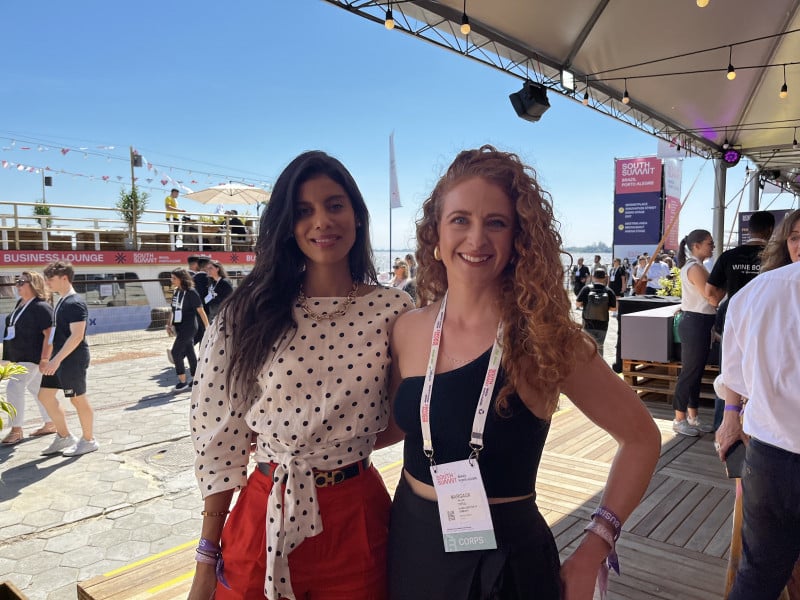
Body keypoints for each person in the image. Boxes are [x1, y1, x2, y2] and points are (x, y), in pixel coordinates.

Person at [386, 146, 660, 600]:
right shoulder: (409, 329)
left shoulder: (546, 339)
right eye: (460, 220)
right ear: (435, 233)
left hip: (505, 567)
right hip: (410, 547)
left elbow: (642, 438)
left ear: (519, 239)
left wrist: (595, 545)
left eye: (495, 222)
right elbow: (399, 427)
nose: (476, 239)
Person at [187, 150, 411, 600]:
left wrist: (337, 445)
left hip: (357, 517)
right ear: (286, 226)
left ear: (357, 215)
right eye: (303, 211)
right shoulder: (246, 313)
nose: (321, 222)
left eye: (334, 205)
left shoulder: (394, 310)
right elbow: (222, 445)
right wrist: (206, 559)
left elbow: (404, 415)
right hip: (264, 507)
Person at [715, 240, 800, 599]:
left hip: (769, 456)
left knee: (758, 576)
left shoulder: (758, 290)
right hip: (769, 450)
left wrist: (733, 412)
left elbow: (733, 373)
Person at [705, 210, 775, 429]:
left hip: (732, 323)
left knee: (729, 372)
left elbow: (710, 292)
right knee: (763, 373)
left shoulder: (729, 256)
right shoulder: (777, 257)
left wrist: (728, 299)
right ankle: (758, 427)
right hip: (766, 324)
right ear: (771, 231)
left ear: (748, 230)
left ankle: (722, 424)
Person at [38, 261, 99, 456]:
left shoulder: (74, 302)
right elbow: (58, 334)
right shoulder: (61, 301)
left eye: (51, 279)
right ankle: (64, 437)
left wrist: (55, 361)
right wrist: (48, 357)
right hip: (59, 358)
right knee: (44, 396)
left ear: (65, 278)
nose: (48, 283)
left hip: (72, 359)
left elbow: (77, 336)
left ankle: (89, 440)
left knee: (77, 399)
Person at [671, 230, 717, 437]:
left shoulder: (697, 266)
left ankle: (692, 416)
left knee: (696, 373)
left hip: (701, 322)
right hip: (695, 322)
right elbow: (712, 297)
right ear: (696, 246)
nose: (713, 246)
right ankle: (679, 419)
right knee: (689, 372)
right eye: (709, 243)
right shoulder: (695, 268)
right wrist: (726, 286)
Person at [1, 271, 56, 444]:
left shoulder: (41, 307)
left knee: (14, 386)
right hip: (18, 356)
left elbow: (50, 334)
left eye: (21, 282)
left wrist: (45, 359)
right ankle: (50, 423)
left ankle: (16, 430)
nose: (17, 285)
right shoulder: (21, 304)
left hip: (32, 357)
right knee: (38, 390)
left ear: (33, 284)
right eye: (17, 281)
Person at [165, 268, 208, 392]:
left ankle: (182, 382)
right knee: (190, 353)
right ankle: (195, 380)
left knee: (175, 352)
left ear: (182, 279)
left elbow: (201, 310)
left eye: (174, 278)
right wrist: (169, 324)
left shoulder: (191, 292)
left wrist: (207, 327)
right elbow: (173, 310)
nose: (171, 280)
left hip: (189, 327)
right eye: (171, 277)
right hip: (179, 326)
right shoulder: (176, 292)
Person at [575, 268, 616, 356]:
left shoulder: (586, 289)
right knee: (600, 347)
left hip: (588, 323)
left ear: (593, 277)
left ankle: (588, 367)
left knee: (587, 348)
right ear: (605, 277)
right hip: (602, 324)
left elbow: (577, 304)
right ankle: (600, 367)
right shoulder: (609, 291)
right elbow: (614, 309)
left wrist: (584, 305)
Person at [187, 256, 210, 345]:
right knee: (203, 334)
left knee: (201, 333)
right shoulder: (208, 278)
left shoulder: (192, 278)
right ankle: (181, 351)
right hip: (206, 310)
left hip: (194, 309)